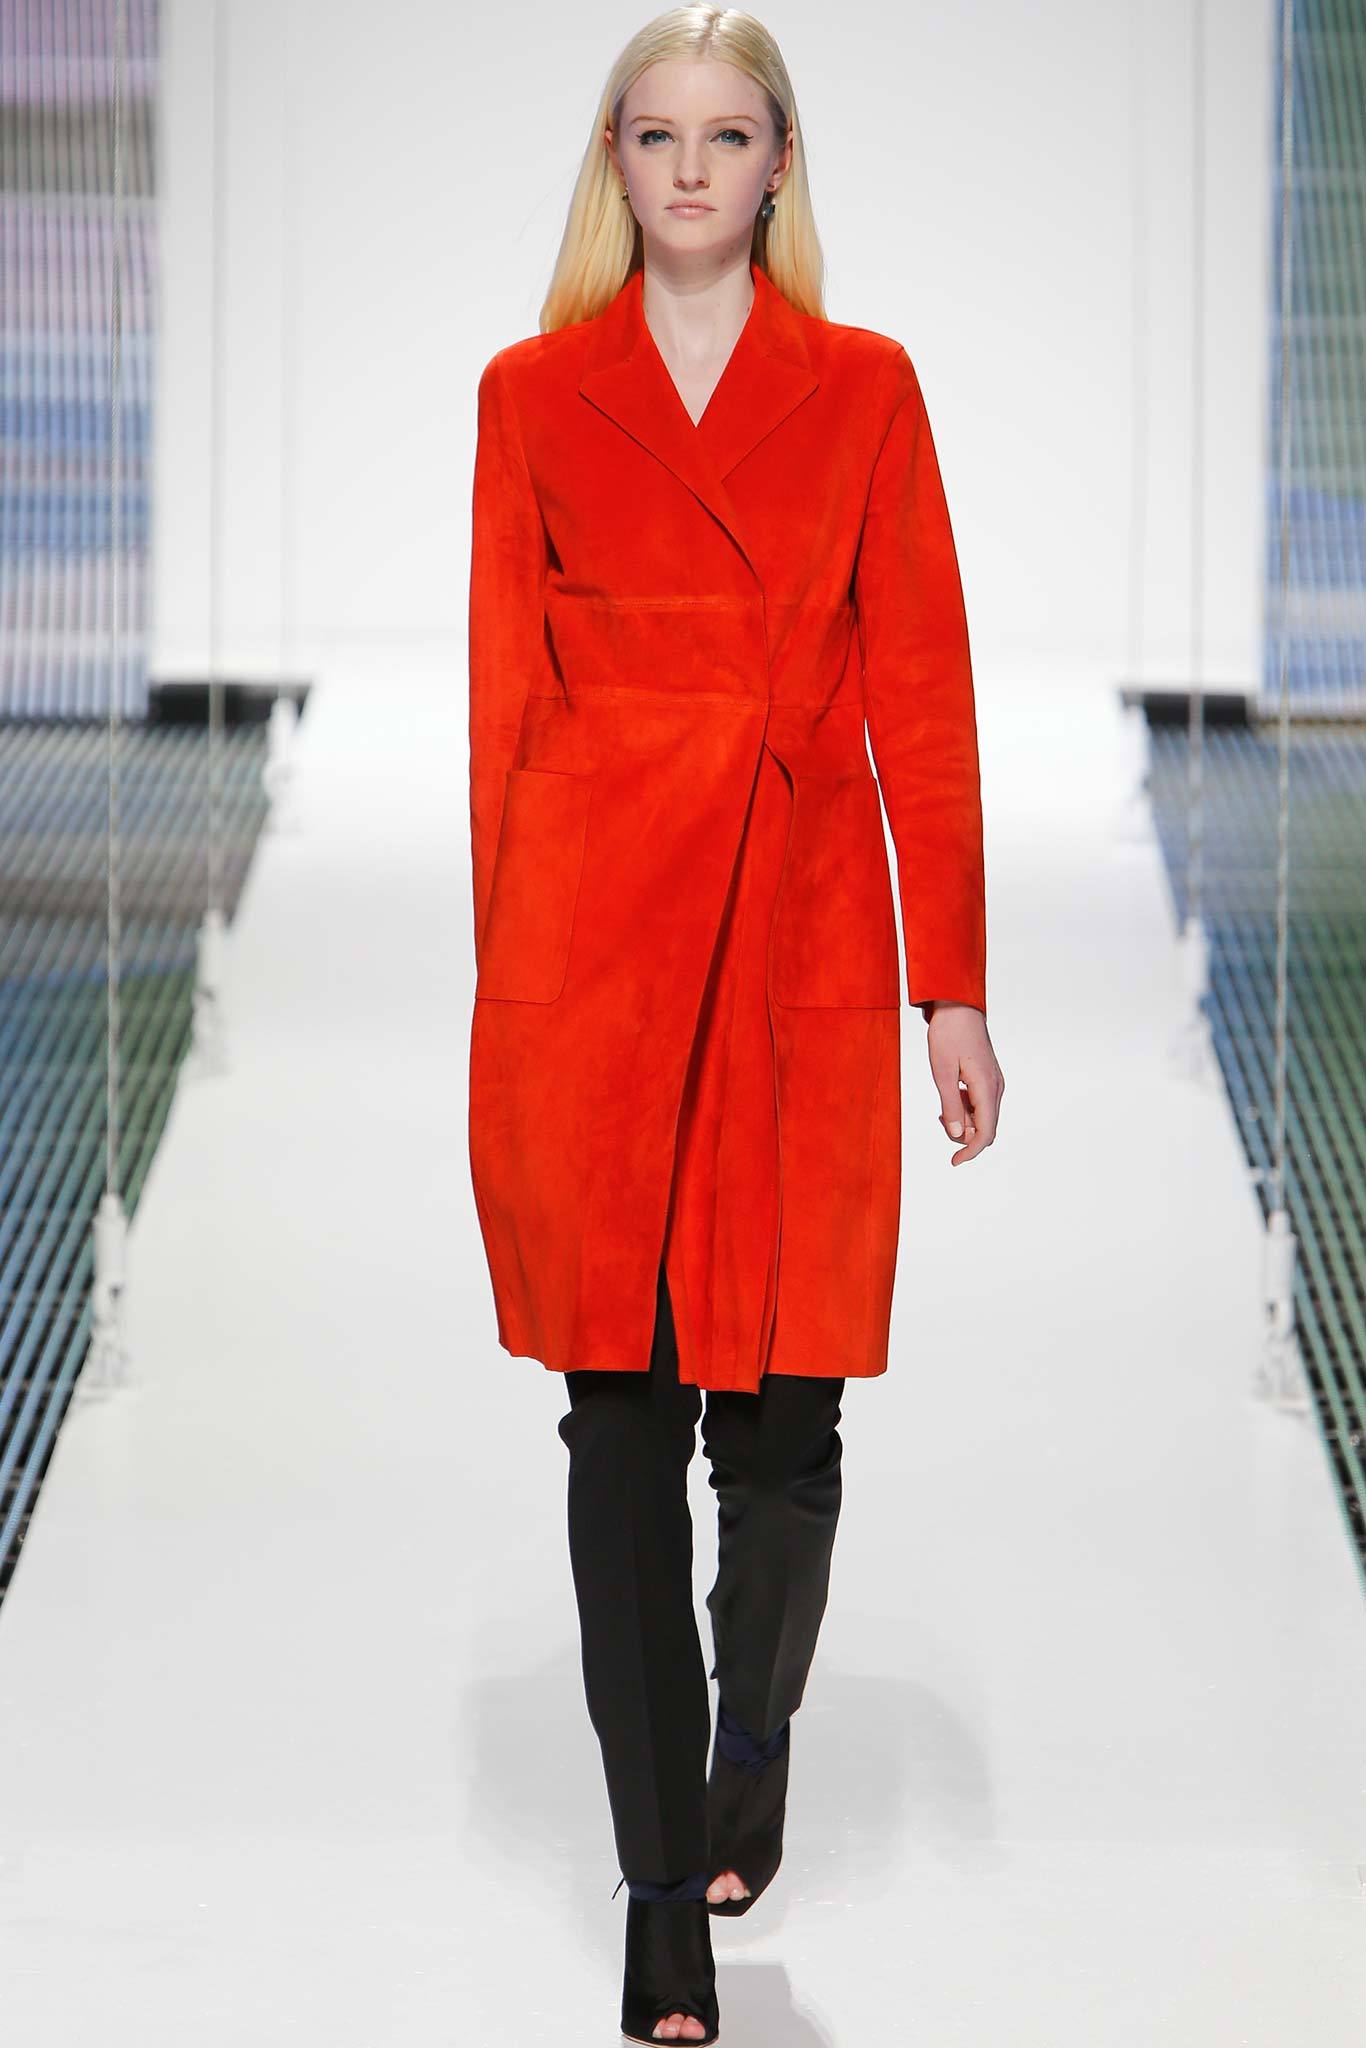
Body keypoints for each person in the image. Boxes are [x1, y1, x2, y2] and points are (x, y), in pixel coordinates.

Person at [466, 7, 1005, 2041]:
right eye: (653, 134)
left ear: (779, 163)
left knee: (780, 1423)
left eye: (724, 134)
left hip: (791, 922)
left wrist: (947, 986)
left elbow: (923, 692)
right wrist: (513, 994)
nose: (687, 169)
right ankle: (652, 1891)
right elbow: (500, 709)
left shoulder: (864, 389)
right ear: (611, 162)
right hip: (601, 946)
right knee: (616, 1415)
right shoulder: (531, 396)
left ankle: (750, 1735)